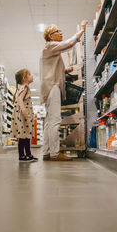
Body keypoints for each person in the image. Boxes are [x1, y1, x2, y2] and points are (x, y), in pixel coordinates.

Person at [40, 20, 88, 161]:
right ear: (50, 36)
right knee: (55, 120)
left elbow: (51, 69)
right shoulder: (51, 46)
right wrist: (82, 30)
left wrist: (64, 70)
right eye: (57, 31)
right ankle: (55, 153)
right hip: (52, 86)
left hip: (49, 86)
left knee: (49, 121)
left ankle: (47, 152)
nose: (60, 33)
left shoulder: (50, 49)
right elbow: (68, 44)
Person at [11, 69, 38, 162]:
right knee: (23, 135)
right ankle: (22, 155)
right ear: (24, 78)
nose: (32, 76)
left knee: (26, 135)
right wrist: (25, 112)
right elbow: (19, 99)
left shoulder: (20, 88)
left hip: (21, 115)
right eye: (29, 74)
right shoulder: (25, 87)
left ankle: (28, 154)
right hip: (23, 115)